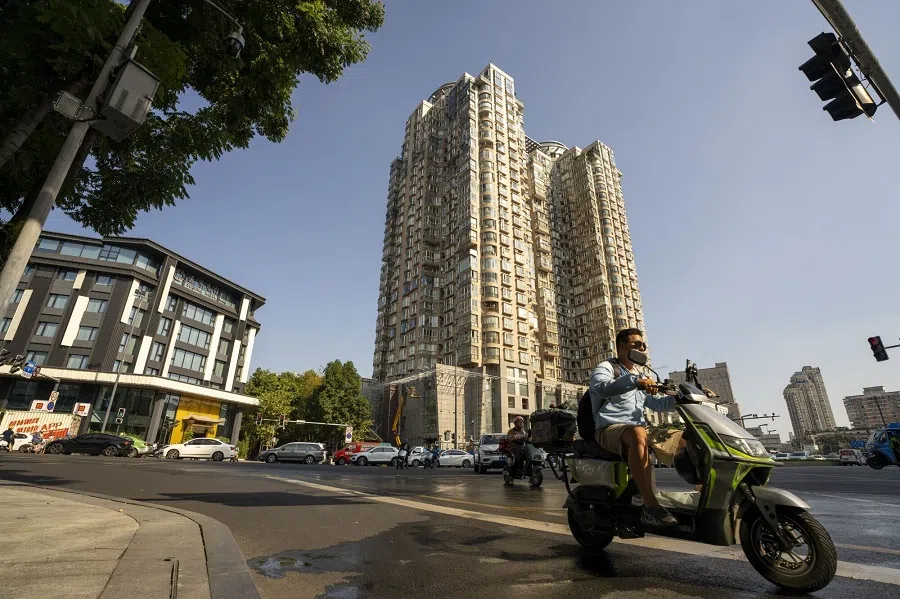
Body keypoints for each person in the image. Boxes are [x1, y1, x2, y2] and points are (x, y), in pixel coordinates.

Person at [589, 328, 681, 527]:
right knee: (639, 433)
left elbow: (656, 404)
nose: (642, 347)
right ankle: (650, 506)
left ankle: (701, 499)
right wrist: (634, 381)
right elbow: (600, 388)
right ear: (621, 346)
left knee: (686, 437)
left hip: (637, 429)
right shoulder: (606, 367)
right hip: (609, 429)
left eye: (643, 345)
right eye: (636, 344)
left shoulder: (641, 374)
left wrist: (683, 397)